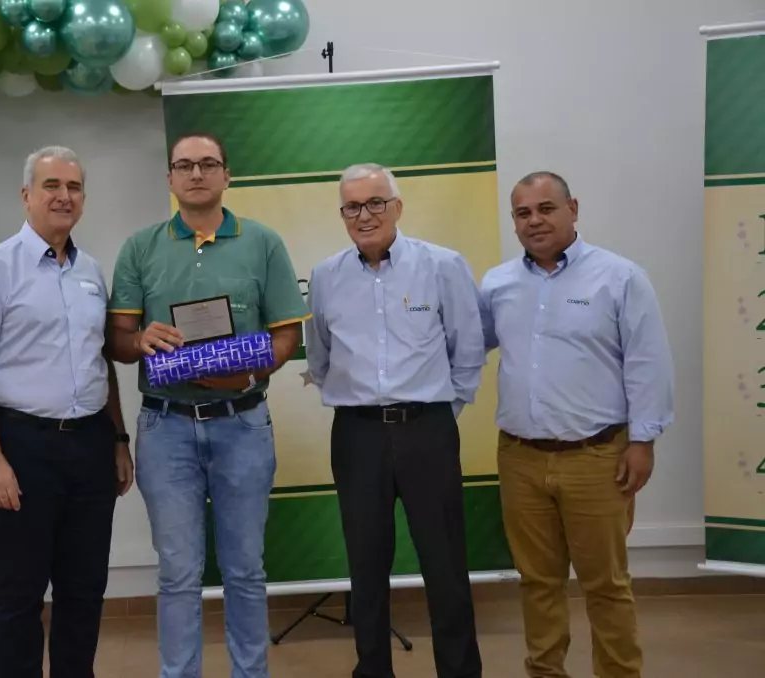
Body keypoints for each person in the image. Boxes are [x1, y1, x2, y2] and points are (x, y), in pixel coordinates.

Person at [106, 132, 309, 678]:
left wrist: (245, 370)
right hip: (165, 427)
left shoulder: (262, 242)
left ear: (226, 175)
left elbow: (287, 337)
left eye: (208, 164)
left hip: (242, 422)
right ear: (170, 179)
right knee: (177, 571)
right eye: (184, 166)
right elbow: (117, 343)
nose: (196, 174)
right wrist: (141, 340)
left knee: (244, 569)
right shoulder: (140, 247)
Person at [478, 171, 674, 678]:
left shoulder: (620, 277)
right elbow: (464, 347)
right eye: (523, 213)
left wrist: (643, 441)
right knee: (536, 581)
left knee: (606, 585)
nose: (534, 221)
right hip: (520, 457)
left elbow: (648, 362)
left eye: (546, 208)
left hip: (598, 458)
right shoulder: (498, 284)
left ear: (573, 209)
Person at [0, 146, 135, 678]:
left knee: (84, 590)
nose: (64, 196)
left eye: (74, 187)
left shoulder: (91, 273)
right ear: (26, 195)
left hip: (90, 446)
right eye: (52, 185)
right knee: (19, 593)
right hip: (20, 446)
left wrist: (118, 440)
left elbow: (102, 362)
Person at [304, 163, 486, 678]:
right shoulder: (325, 276)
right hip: (357, 434)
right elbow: (319, 358)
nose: (365, 215)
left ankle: (459, 670)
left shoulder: (443, 266)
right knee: (365, 568)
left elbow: (467, 354)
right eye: (352, 206)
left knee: (445, 566)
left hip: (427, 430)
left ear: (398, 207)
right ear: (342, 214)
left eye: (376, 203)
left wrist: (431, 415)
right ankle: (373, 670)